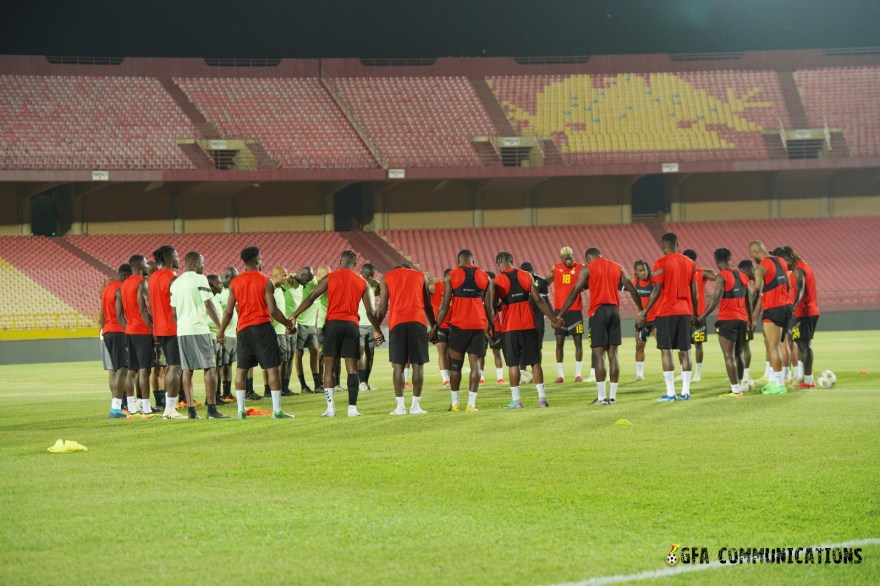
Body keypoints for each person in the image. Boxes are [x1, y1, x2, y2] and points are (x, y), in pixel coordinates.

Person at [292, 250, 384, 417]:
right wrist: (377, 329)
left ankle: (330, 409)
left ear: (340, 261)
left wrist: (293, 315)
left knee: (329, 367)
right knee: (352, 368)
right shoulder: (362, 282)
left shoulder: (330, 278)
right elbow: (370, 311)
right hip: (351, 325)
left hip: (333, 324)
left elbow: (311, 297)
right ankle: (352, 409)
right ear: (355, 264)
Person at [217, 246, 295, 419]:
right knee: (272, 369)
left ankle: (240, 411)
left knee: (241, 370)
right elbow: (273, 310)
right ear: (256, 260)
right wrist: (288, 324)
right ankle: (277, 411)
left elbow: (229, 311)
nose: (262, 259)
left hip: (243, 330)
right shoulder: (265, 280)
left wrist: (221, 331)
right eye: (260, 256)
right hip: (262, 328)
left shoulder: (235, 282)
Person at [558, 248, 642, 405]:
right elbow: (632, 289)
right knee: (613, 354)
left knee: (598, 355)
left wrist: (560, 314)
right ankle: (613, 397)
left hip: (598, 312)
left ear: (589, 257)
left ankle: (602, 398)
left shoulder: (588, 268)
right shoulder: (617, 267)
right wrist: (641, 310)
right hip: (614, 312)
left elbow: (575, 291)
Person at [490, 252, 561, 409]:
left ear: (498, 264)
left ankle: (517, 401)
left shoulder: (498, 280)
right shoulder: (526, 276)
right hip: (529, 325)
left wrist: (493, 328)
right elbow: (539, 299)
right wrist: (554, 319)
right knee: (535, 362)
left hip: (510, 327)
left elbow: (492, 307)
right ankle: (542, 399)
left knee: (513, 364)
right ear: (512, 261)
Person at [636, 233, 699, 402]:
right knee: (685, 351)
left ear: (664, 247)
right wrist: (695, 313)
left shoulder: (660, 263)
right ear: (677, 244)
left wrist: (645, 311)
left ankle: (671, 393)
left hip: (666, 312)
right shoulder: (690, 263)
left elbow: (656, 290)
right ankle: (685, 392)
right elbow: (694, 291)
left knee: (666, 351)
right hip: (685, 311)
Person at [429, 249, 493, 412]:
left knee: (456, 366)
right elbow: (490, 308)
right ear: (473, 260)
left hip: (458, 326)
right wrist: (491, 327)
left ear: (458, 261)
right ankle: (471, 405)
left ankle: (455, 404)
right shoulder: (485, 276)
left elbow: (444, 306)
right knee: (475, 366)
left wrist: (435, 327)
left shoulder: (451, 276)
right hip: (478, 326)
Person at [171, 252, 226, 419]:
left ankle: (191, 411)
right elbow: (208, 303)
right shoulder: (200, 279)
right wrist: (220, 328)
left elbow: (173, 313)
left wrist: (180, 327)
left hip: (183, 330)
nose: (204, 266)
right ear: (194, 263)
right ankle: (211, 409)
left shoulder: (175, 283)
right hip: (199, 329)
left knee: (187, 370)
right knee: (209, 367)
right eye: (202, 263)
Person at [376, 263, 436, 414]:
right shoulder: (422, 276)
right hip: (418, 322)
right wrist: (435, 327)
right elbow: (428, 305)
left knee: (398, 365)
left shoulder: (386, 278)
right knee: (418, 365)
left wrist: (376, 329)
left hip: (397, 323)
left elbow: (383, 308)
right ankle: (415, 406)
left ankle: (400, 407)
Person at [696, 248, 752, 398]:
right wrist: (751, 320)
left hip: (728, 319)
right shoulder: (743, 275)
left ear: (716, 260)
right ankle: (739, 386)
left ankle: (735, 391)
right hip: (742, 319)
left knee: (728, 355)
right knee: (738, 354)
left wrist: (702, 317)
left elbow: (715, 300)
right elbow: (748, 300)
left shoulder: (722, 276)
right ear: (729, 257)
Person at [749, 240, 791, 395]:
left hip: (773, 308)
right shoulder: (781, 261)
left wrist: (750, 312)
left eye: (752, 255)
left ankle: (779, 385)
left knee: (772, 346)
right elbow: (788, 285)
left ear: (755, 252)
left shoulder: (761, 268)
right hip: (786, 306)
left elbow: (756, 291)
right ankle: (775, 381)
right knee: (779, 345)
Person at [545, 247, 592, 383]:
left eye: (570, 257)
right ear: (561, 258)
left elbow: (589, 283)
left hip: (575, 311)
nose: (569, 260)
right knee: (559, 343)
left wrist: (584, 286)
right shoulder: (556, 269)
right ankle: (560, 375)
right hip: (559, 312)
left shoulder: (581, 268)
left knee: (578, 343)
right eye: (566, 258)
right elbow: (544, 284)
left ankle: (578, 374)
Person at [121, 255, 158, 416]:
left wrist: (128, 327)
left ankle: (131, 406)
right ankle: (146, 406)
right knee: (144, 369)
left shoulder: (124, 284)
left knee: (132, 370)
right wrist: (152, 330)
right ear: (141, 266)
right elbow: (143, 310)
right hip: (142, 330)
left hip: (130, 330)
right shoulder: (141, 283)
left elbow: (120, 313)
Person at [779, 247, 821, 389]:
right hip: (807, 312)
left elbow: (800, 289)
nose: (785, 266)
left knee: (804, 346)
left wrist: (793, 307)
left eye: (784, 262)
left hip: (803, 313)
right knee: (802, 345)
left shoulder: (798, 269)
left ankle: (808, 381)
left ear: (789, 257)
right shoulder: (805, 266)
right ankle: (805, 379)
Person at [149, 245, 181, 414]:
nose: (178, 259)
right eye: (176, 256)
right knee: (175, 367)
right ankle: (169, 409)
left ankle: (169, 407)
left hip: (159, 329)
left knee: (170, 367)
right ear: (170, 259)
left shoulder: (152, 278)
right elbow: (177, 307)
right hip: (173, 328)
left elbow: (152, 307)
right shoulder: (172, 278)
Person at [100, 264, 131, 418]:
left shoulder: (106, 289)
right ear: (127, 277)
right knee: (123, 369)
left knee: (114, 370)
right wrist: (129, 333)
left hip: (106, 331)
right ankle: (116, 408)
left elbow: (101, 315)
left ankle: (116, 406)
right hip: (118, 331)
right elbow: (120, 315)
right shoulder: (120, 289)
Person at [682, 249, 715, 382]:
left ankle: (698, 374)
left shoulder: (701, 273)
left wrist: (712, 272)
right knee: (683, 345)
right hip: (684, 313)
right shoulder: (681, 274)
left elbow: (716, 277)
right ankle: (684, 372)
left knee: (698, 344)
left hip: (698, 314)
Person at [292, 266, 323, 393]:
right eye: (306, 280)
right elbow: (290, 277)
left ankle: (317, 385)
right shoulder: (296, 283)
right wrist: (294, 276)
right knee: (298, 354)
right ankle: (303, 385)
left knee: (315, 351)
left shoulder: (316, 283)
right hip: (300, 324)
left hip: (311, 325)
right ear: (303, 275)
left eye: (310, 280)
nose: (307, 282)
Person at [263, 265, 292, 400]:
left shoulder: (280, 289)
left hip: (281, 331)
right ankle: (269, 389)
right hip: (274, 330)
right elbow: (270, 310)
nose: (286, 277)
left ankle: (280, 388)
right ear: (275, 276)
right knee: (271, 361)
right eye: (284, 275)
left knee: (282, 360)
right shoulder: (270, 289)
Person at [519, 261, 548, 377]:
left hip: (537, 319)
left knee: (537, 346)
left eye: (531, 270)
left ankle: (535, 372)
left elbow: (545, 301)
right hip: (523, 319)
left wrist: (551, 316)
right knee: (522, 346)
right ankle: (522, 372)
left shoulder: (541, 282)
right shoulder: (518, 281)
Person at [631, 259, 657, 381]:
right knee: (639, 347)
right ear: (636, 272)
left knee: (663, 347)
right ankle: (639, 374)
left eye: (644, 270)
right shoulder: (634, 282)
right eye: (640, 271)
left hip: (656, 319)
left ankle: (666, 372)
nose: (643, 273)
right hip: (642, 321)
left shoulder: (654, 281)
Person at [217, 267, 239, 402]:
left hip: (233, 334)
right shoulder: (218, 293)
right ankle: (217, 393)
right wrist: (221, 331)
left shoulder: (233, 291)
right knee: (221, 365)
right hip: (224, 334)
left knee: (229, 364)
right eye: (232, 277)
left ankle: (227, 393)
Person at [357, 263, 380, 391]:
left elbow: (382, 290)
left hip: (371, 324)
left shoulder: (374, 284)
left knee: (370, 353)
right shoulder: (356, 282)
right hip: (359, 323)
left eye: (372, 275)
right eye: (367, 275)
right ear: (362, 272)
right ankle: (361, 382)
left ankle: (365, 382)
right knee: (359, 353)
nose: (370, 277)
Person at [429, 269, 453, 386]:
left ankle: (449, 377)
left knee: (451, 354)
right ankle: (445, 379)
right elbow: (426, 289)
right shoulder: (437, 286)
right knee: (442, 352)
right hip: (440, 326)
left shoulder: (457, 288)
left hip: (454, 326)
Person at [736, 260, 756, 382]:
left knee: (745, 346)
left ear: (746, 270)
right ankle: (742, 372)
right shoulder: (747, 281)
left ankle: (745, 373)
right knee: (742, 346)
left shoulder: (747, 282)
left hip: (745, 317)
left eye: (741, 271)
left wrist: (751, 318)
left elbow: (750, 301)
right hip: (743, 317)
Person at [484, 271, 505, 384]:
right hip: (482, 328)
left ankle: (500, 377)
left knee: (496, 353)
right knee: (479, 355)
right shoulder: (480, 293)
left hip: (495, 328)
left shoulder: (495, 296)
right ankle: (481, 378)